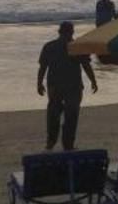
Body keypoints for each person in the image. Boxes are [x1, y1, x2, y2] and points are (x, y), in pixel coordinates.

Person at [36, 20, 98, 151]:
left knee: (54, 114)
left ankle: (51, 142)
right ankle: (67, 144)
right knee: (71, 115)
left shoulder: (50, 46)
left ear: (59, 32)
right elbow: (86, 65)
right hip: (73, 86)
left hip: (56, 85)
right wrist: (93, 81)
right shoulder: (78, 47)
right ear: (72, 32)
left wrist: (39, 83)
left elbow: (43, 67)